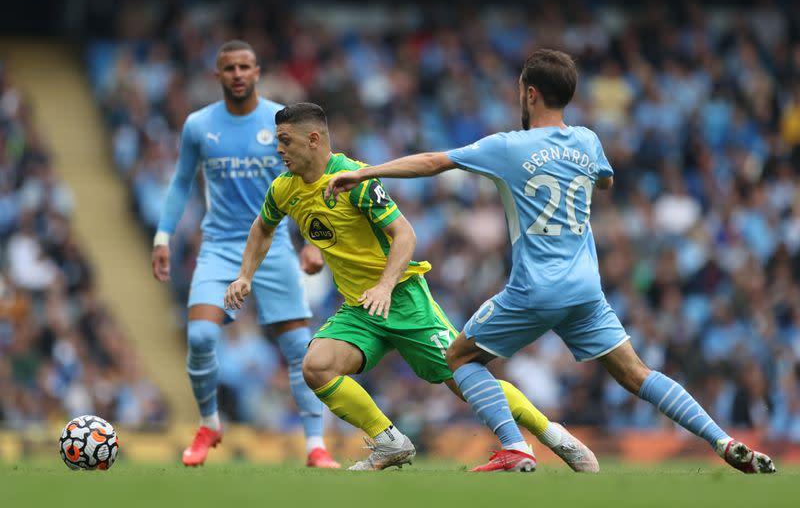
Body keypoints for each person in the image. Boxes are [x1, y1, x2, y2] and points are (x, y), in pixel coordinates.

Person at [325, 49, 777, 474]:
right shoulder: (587, 140)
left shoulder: (508, 147)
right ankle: (722, 441)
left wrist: (365, 171)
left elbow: (432, 161)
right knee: (638, 373)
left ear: (530, 93)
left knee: (460, 356)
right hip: (585, 289)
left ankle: (514, 446)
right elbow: (605, 182)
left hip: (535, 288)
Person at [225, 102, 599, 473]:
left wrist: (386, 286)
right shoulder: (283, 189)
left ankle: (554, 436)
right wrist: (245, 275)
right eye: (277, 141)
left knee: (466, 381)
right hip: (361, 309)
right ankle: (389, 442)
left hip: (403, 299)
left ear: (312, 139)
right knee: (316, 366)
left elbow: (404, 233)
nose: (278, 150)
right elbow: (262, 227)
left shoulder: (354, 179)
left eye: (285, 141)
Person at [151, 40, 338, 468]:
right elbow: (181, 183)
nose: (237, 74)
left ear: (257, 72)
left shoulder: (280, 122)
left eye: (244, 67)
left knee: (299, 349)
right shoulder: (199, 126)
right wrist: (163, 236)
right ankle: (209, 423)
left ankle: (315, 445)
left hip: (272, 247)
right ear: (217, 76)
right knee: (199, 337)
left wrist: (312, 242)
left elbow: (312, 181)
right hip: (219, 246)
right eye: (229, 68)